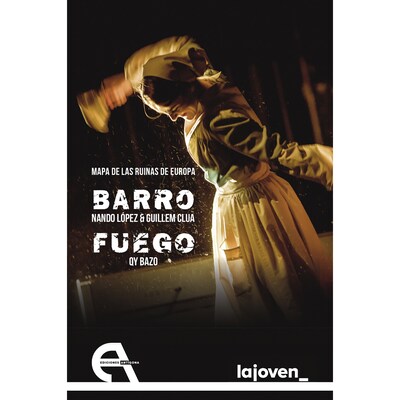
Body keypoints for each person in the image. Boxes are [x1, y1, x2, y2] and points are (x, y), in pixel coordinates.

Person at [79, 35, 333, 326]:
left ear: (185, 90)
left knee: (280, 291)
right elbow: (182, 46)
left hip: (255, 212)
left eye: (174, 110)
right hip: (241, 205)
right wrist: (127, 80)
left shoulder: (218, 119)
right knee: (256, 295)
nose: (173, 118)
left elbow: (278, 152)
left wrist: (331, 168)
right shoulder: (208, 76)